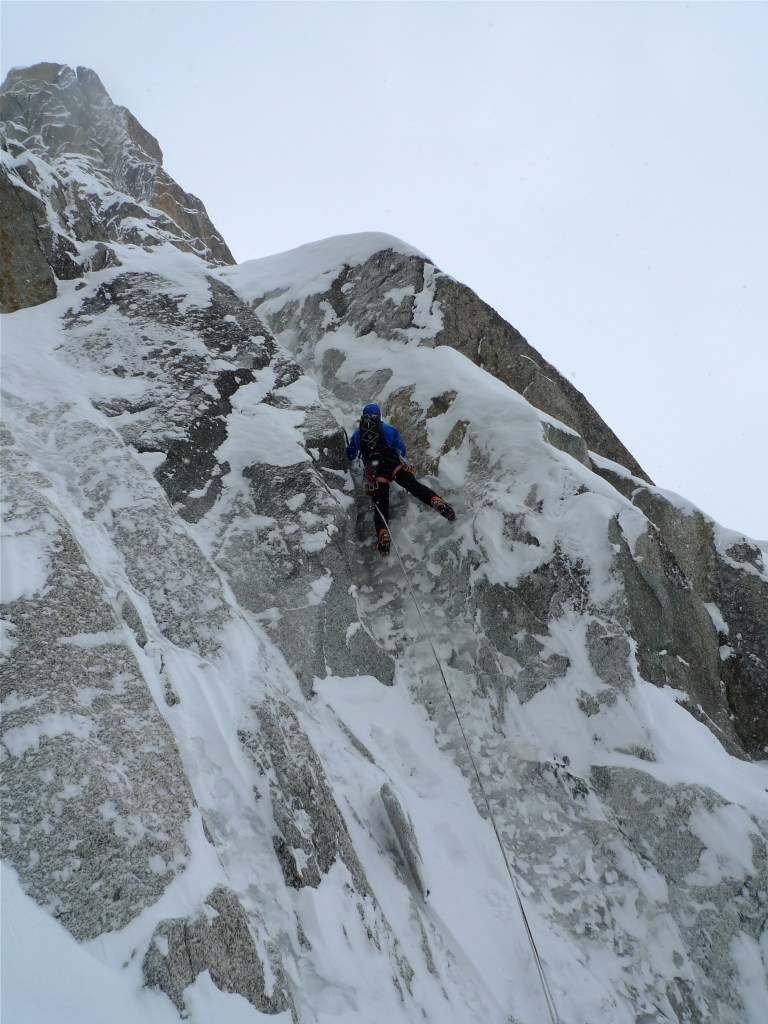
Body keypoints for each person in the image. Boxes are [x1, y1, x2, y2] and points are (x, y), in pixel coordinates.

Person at [346, 403, 455, 555]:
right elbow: (402, 450)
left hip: (376, 471)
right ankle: (437, 501)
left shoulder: (358, 433)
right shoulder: (390, 430)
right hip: (393, 464)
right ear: (379, 416)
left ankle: (383, 534)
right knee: (415, 487)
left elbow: (350, 454)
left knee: (381, 504)